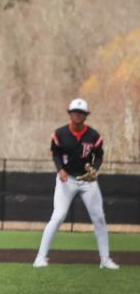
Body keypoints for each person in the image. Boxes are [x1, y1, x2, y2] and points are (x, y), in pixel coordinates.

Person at [33, 97, 117, 269]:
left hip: (88, 181)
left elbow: (99, 155)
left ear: (86, 116)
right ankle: (40, 257)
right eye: (75, 112)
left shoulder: (93, 135)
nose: (78, 115)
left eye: (81, 113)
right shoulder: (60, 133)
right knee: (57, 217)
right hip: (67, 179)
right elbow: (55, 153)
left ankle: (105, 259)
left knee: (99, 218)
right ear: (69, 114)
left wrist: (94, 169)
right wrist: (60, 169)